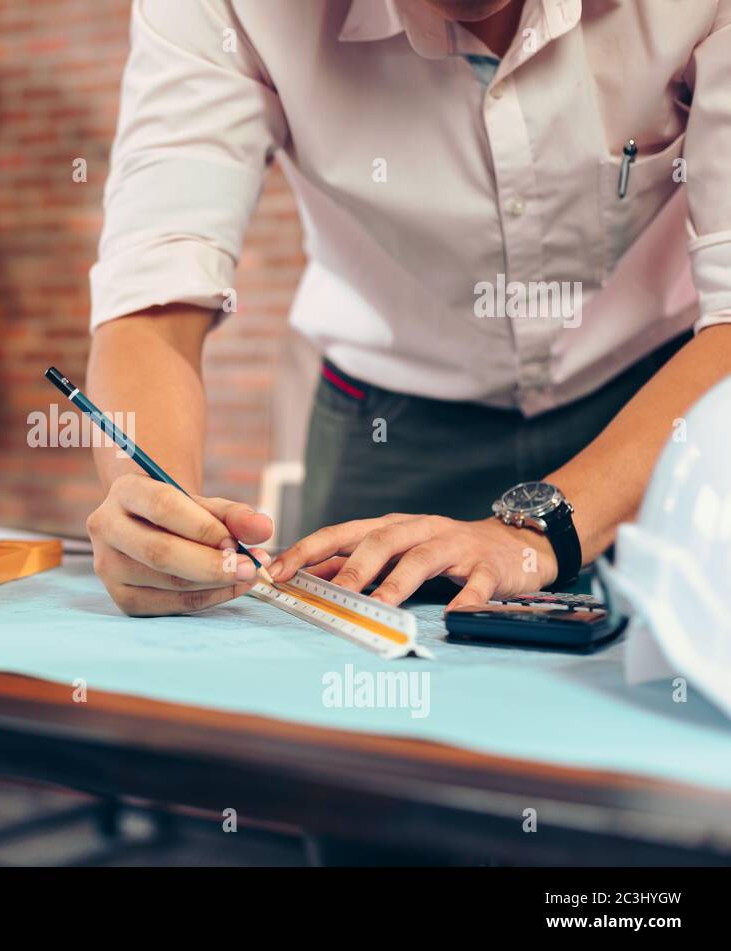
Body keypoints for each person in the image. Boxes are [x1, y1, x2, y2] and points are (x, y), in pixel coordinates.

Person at [84, 0, 731, 615]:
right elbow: (153, 292)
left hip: (668, 398)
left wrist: (533, 538)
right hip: (385, 419)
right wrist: (152, 513)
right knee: (340, 691)